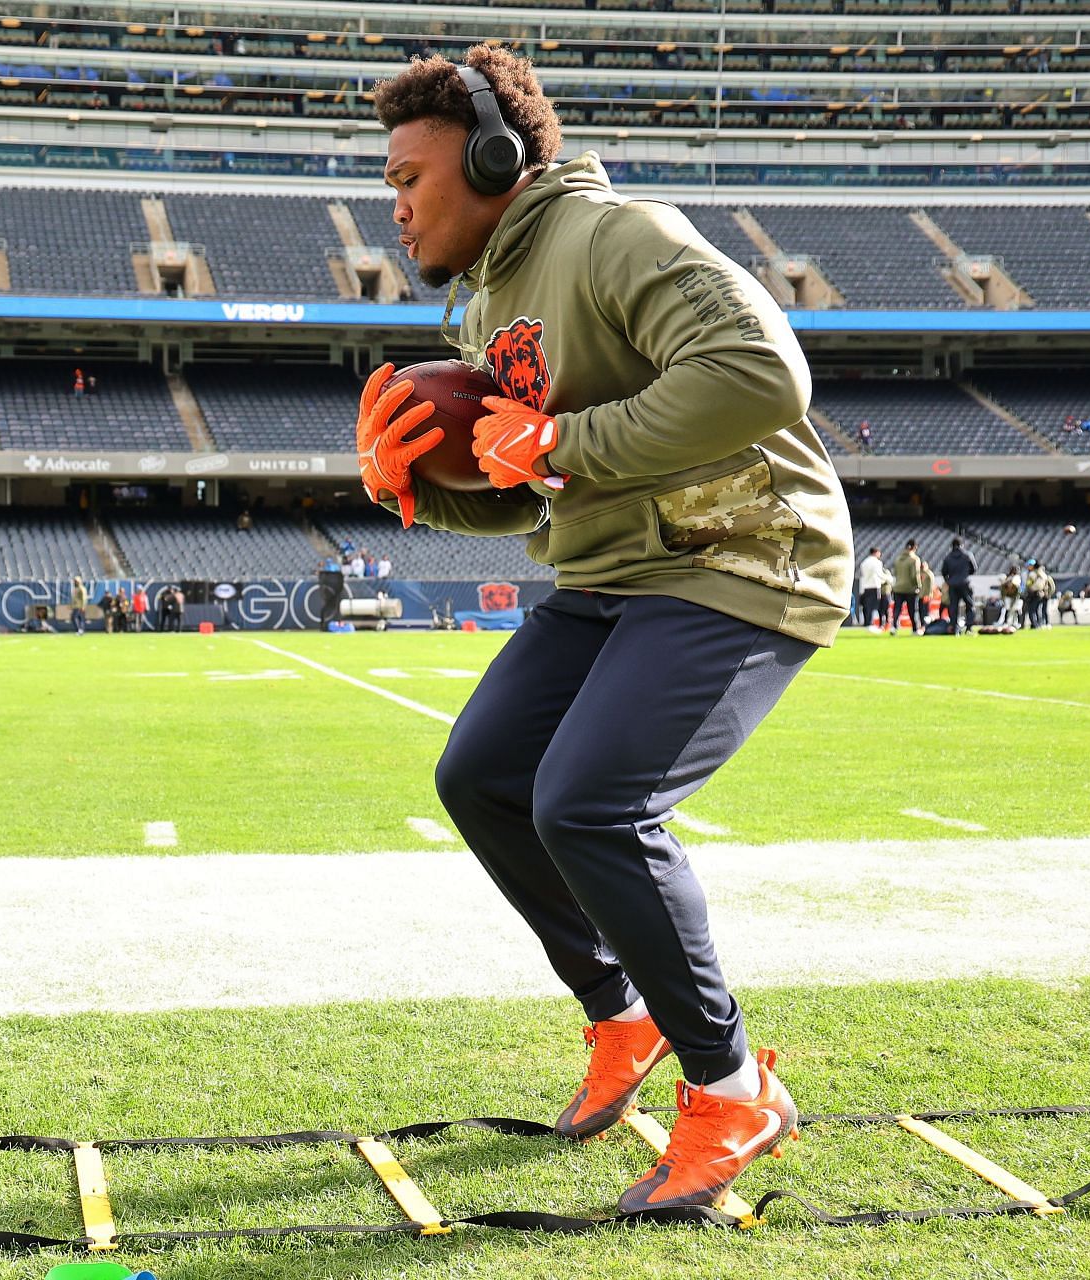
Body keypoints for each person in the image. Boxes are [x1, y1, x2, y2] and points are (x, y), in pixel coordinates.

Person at [362, 44, 849, 1216]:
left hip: (738, 555)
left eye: (409, 178)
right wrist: (422, 486)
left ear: (492, 160)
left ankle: (735, 1090)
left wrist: (563, 446)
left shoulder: (618, 234)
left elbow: (762, 371)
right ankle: (622, 1014)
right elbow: (528, 485)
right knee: (480, 775)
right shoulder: (484, 298)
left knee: (586, 800)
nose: (396, 206)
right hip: (615, 568)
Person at [940, 537, 976, 633]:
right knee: (970, 605)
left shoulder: (948, 557)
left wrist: (949, 581)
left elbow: (944, 572)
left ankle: (954, 628)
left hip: (953, 585)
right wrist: (965, 575)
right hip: (964, 583)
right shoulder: (967, 555)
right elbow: (974, 569)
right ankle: (969, 628)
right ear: (962, 545)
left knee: (953, 607)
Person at [889, 540, 922, 634]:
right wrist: (918, 586)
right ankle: (915, 629)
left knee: (897, 609)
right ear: (913, 548)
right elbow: (914, 575)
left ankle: (894, 627)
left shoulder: (898, 559)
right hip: (910, 589)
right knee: (912, 610)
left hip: (898, 587)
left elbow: (895, 573)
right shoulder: (914, 559)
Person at [856, 545, 888, 630]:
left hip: (866, 586)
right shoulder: (877, 562)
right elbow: (880, 574)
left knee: (867, 606)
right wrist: (889, 578)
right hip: (874, 586)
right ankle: (872, 624)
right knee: (875, 606)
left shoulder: (864, 562)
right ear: (876, 552)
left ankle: (867, 623)